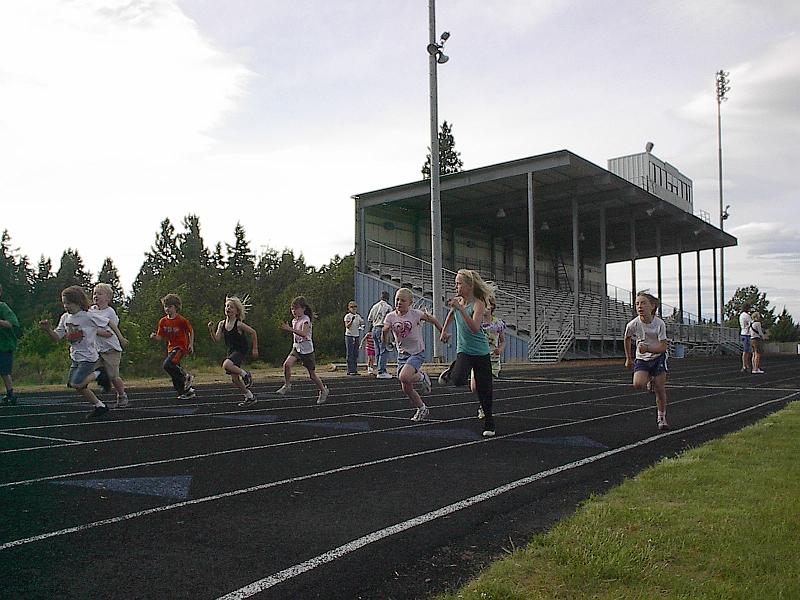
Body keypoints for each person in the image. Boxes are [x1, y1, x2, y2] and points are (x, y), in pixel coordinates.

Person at [39, 285, 124, 419]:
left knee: (77, 383)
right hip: (76, 357)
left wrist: (121, 338)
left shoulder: (88, 316)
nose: (66, 306)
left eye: (68, 303)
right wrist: (48, 329)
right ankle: (100, 406)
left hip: (88, 357)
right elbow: (57, 337)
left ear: (78, 302)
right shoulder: (65, 318)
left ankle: (99, 374)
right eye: (64, 303)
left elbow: (109, 323)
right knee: (75, 385)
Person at [439, 269, 497, 438]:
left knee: (484, 389)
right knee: (458, 380)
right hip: (464, 350)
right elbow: (451, 314)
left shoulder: (478, 304)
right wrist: (444, 331)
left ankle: (489, 422)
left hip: (481, 352)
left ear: (469, 286)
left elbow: (475, 328)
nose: (456, 287)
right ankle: (452, 370)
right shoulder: (457, 302)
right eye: (455, 283)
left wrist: (461, 309)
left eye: (459, 283)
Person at [383, 287, 445, 421]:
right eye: (397, 300)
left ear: (410, 303)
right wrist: (385, 334)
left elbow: (433, 320)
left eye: (403, 300)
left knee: (404, 376)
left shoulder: (415, 314)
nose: (399, 303)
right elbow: (385, 334)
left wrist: (442, 331)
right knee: (406, 387)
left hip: (417, 352)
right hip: (402, 354)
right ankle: (422, 408)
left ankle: (422, 377)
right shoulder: (390, 317)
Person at [624, 291, 670, 431]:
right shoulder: (633, 324)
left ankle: (661, 417)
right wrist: (628, 358)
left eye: (643, 303)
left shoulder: (659, 324)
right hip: (642, 358)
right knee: (638, 384)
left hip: (658, 357)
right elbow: (627, 338)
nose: (639, 306)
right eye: (637, 304)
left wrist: (648, 348)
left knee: (659, 388)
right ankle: (650, 378)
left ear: (652, 306)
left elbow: (663, 347)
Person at [276, 296, 329, 404]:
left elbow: (304, 333)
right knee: (287, 365)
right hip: (297, 347)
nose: (294, 311)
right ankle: (287, 385)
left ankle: (323, 390)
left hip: (307, 349)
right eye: (292, 309)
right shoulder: (294, 320)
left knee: (312, 375)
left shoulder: (306, 320)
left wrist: (290, 329)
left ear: (303, 308)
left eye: (296, 308)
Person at [208, 296, 259, 406]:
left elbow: (253, 332)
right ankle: (249, 396)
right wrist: (211, 330)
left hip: (241, 349)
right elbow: (217, 339)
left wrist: (255, 348)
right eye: (227, 306)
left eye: (231, 307)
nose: (228, 308)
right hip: (231, 351)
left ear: (236, 311)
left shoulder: (238, 324)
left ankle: (246, 374)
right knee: (235, 379)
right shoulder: (222, 324)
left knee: (226, 364)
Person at [90, 283, 130, 407]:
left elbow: (108, 333)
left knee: (113, 375)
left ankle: (122, 394)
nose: (96, 296)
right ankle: (104, 383)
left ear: (108, 298)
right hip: (97, 349)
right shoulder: (91, 311)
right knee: (95, 369)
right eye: (94, 293)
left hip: (111, 349)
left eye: (100, 294)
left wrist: (92, 330)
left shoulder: (110, 312)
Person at [150, 293, 196, 399]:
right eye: (165, 306)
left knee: (167, 365)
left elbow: (190, 331)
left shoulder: (181, 320)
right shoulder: (163, 321)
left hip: (180, 347)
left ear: (176, 307)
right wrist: (154, 337)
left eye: (170, 306)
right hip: (171, 348)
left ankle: (186, 376)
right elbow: (160, 337)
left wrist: (190, 344)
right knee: (173, 372)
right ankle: (186, 392)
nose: (167, 309)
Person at [0, 284, 21, 406]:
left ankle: (10, 393)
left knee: (4, 371)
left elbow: (10, 323)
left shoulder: (3, 307)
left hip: (4, 345)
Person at [367, 291, 393, 379]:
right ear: (388, 298)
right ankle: (382, 371)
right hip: (382, 328)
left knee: (377, 350)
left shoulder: (375, 306)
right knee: (384, 350)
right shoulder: (388, 307)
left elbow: (370, 318)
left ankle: (379, 368)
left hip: (374, 328)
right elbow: (390, 320)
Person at [343, 301, 364, 375]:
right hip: (349, 335)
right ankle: (350, 370)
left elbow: (361, 323)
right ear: (349, 308)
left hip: (356, 335)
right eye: (352, 307)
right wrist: (351, 320)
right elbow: (347, 326)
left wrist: (361, 324)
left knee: (355, 353)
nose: (354, 308)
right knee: (350, 353)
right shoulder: (348, 316)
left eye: (355, 307)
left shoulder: (358, 316)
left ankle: (355, 369)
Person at [739, 304, 753, 373]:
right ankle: (745, 365)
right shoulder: (746, 315)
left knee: (746, 351)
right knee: (746, 351)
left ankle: (745, 365)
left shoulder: (741, 315)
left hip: (743, 333)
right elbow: (752, 323)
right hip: (746, 334)